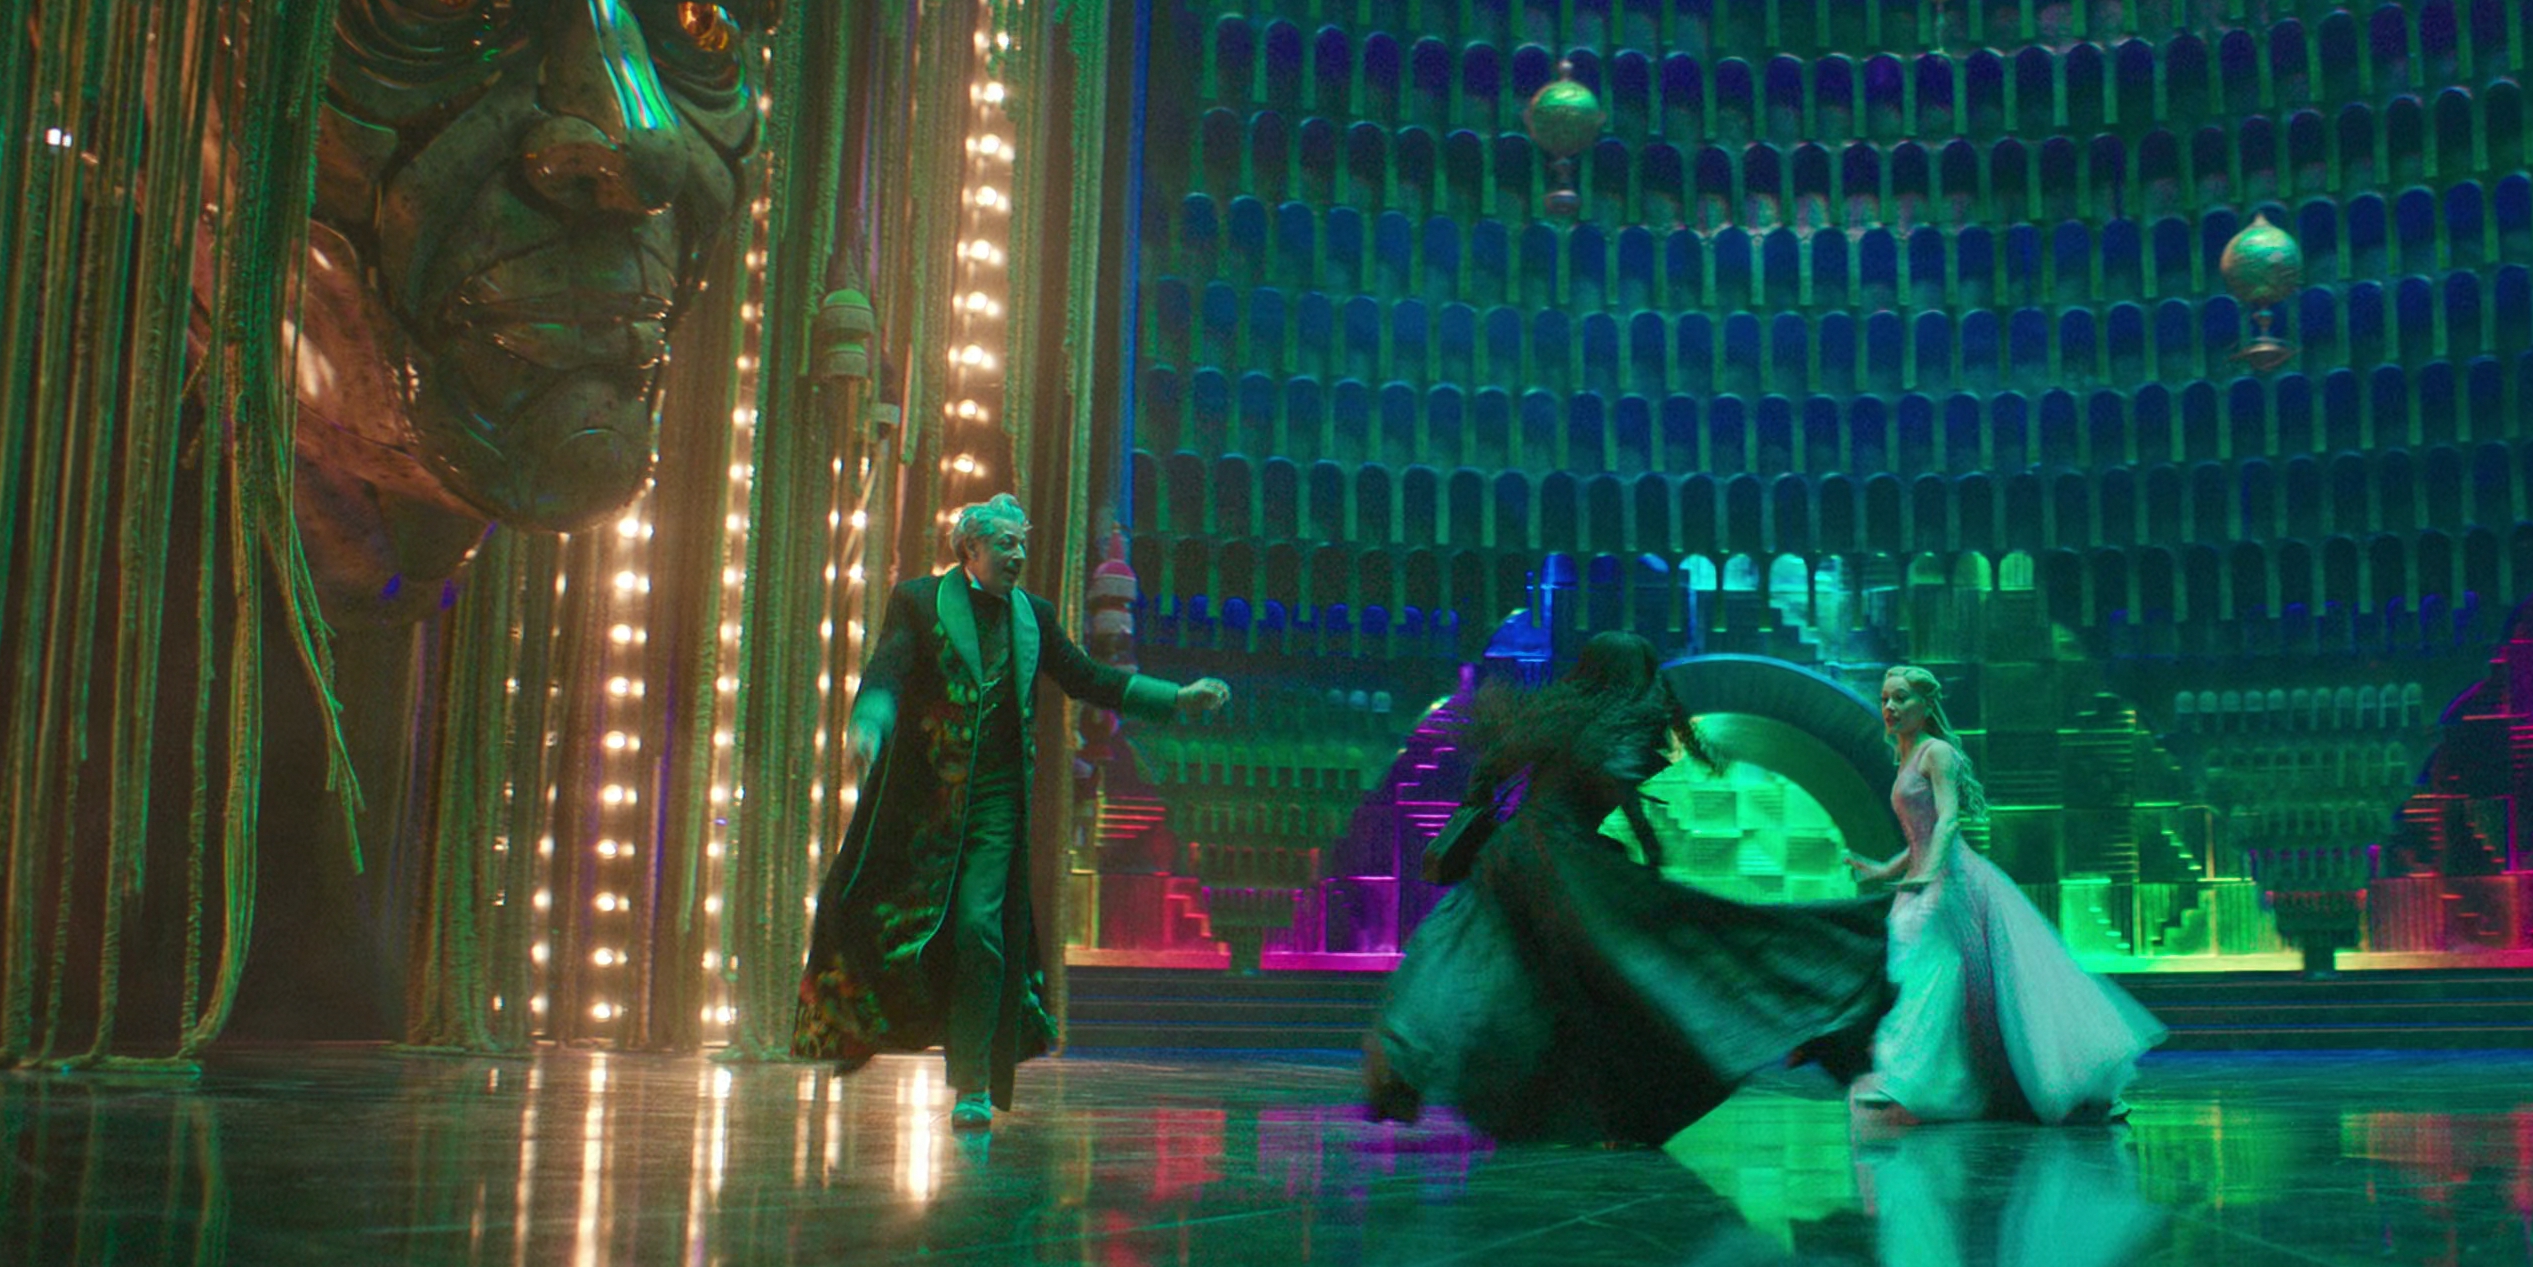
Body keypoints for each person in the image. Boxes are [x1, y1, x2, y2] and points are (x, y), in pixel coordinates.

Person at [793, 494, 1230, 1129]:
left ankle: (971, 1084)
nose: (1018, 554)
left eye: (1022, 543)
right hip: (920, 802)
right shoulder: (919, 602)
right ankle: (862, 1028)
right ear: (970, 549)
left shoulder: (1034, 617)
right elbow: (888, 668)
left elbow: (1088, 677)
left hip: (995, 803)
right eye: (1006, 543)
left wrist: (1177, 698)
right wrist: (871, 720)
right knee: (873, 914)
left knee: (980, 930)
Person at [1361, 633, 1892, 1147]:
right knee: (1640, 968)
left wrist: (1479, 813)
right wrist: (1649, 852)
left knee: (1463, 952)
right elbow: (1613, 784)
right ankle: (1818, 1000)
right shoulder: (1624, 726)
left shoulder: (1556, 717)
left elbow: (1492, 769)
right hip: (1567, 866)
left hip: (1515, 853)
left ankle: (1405, 1060)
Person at [1848, 664, 2163, 1125]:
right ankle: (1923, 1079)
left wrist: (1928, 873)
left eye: (1901, 698)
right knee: (1930, 976)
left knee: (1944, 975)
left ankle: (1911, 1079)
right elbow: (1920, 836)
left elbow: (1948, 821)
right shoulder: (1908, 757)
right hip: (1929, 881)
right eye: (1885, 699)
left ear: (1925, 705)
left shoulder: (1937, 753)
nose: (1890, 707)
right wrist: (1883, 870)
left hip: (1956, 882)